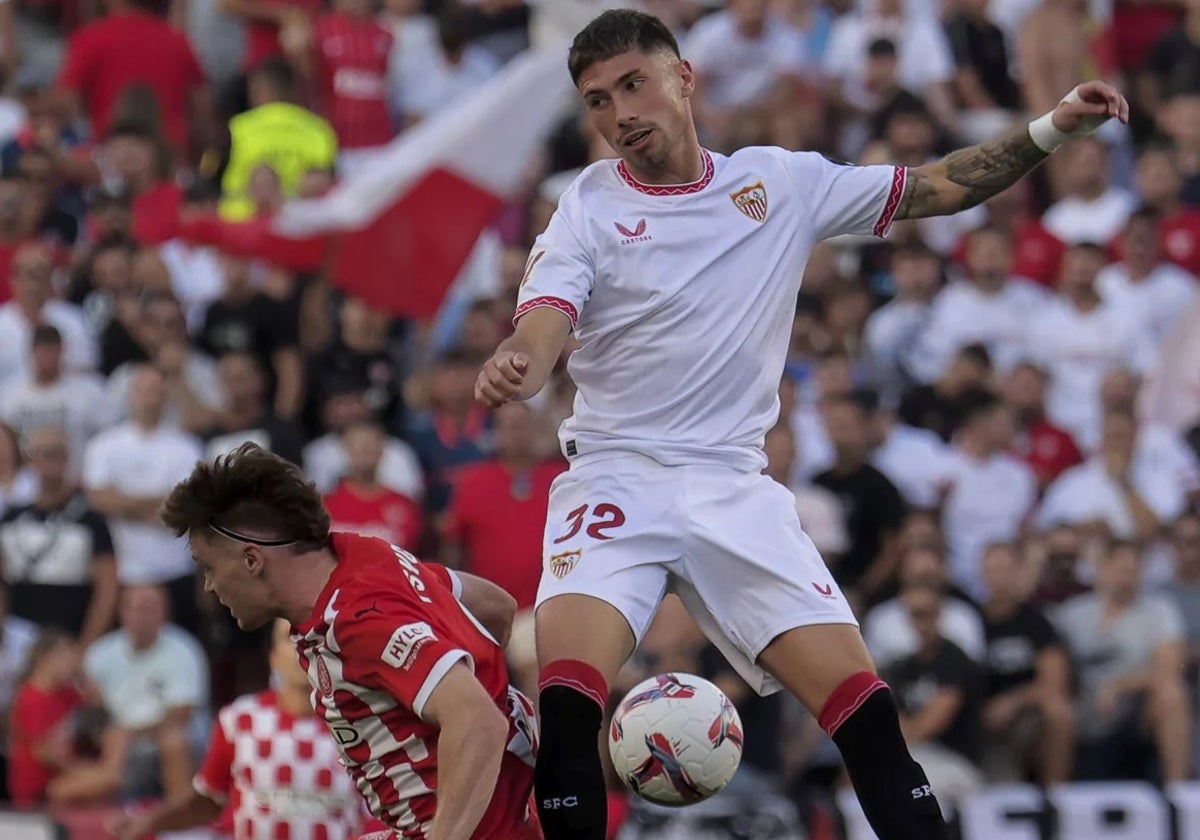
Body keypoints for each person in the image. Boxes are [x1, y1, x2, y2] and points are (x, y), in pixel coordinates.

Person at [474, 9, 1129, 840]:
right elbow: (545, 318)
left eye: (632, 84)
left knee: (868, 719)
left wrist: (1047, 129)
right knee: (567, 712)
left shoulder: (779, 183)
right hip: (615, 477)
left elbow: (941, 184)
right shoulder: (588, 206)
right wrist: (522, 360)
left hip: (733, 487)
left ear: (685, 77)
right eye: (598, 101)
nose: (619, 114)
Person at [160, 443, 540, 840]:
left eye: (209, 567)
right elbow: (495, 607)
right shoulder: (368, 557)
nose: (209, 585)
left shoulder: (356, 622)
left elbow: (478, 721)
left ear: (252, 560)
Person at [110, 618, 369, 840]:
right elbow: (208, 800)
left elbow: (380, 815)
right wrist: (149, 822)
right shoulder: (240, 720)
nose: (302, 646)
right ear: (273, 657)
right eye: (290, 638)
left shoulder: (359, 725)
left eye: (313, 637)